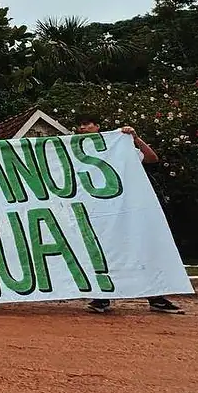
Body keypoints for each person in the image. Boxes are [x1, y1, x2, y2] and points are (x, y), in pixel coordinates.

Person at [74, 114, 183, 315]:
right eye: (80, 125)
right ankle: (102, 297)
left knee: (138, 249)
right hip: (100, 213)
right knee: (106, 253)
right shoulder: (75, 152)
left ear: (97, 126)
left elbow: (151, 158)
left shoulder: (118, 147)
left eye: (87, 123)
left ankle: (156, 297)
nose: (82, 127)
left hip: (127, 210)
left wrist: (135, 138)